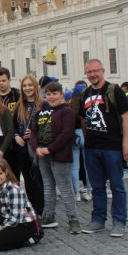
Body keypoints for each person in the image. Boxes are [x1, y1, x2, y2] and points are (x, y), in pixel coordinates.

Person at [78, 59, 128, 237]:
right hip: (92, 148)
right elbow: (83, 119)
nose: (93, 74)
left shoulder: (114, 90)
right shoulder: (85, 93)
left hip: (112, 147)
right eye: (89, 72)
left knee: (117, 186)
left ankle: (119, 221)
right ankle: (98, 219)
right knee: (97, 186)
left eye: (95, 71)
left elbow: (127, 117)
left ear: (102, 70)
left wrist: (125, 144)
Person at [30, 82, 81, 234]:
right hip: (42, 155)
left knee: (65, 187)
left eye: (54, 94)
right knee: (48, 186)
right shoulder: (41, 112)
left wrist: (49, 149)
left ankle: (73, 219)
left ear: (61, 94)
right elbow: (33, 131)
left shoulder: (67, 112)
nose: (51, 97)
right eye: (48, 94)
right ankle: (48, 215)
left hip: (59, 155)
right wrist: (37, 148)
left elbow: (66, 134)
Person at [0, 158, 41, 251]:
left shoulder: (13, 189)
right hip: (8, 219)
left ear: (6, 173)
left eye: (0, 173)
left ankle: (29, 239)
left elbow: (15, 219)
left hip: (24, 224)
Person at [10, 74, 45, 215]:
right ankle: (33, 209)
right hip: (22, 149)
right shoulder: (19, 105)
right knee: (28, 180)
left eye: (30, 85)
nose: (27, 88)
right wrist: (16, 135)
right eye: (25, 86)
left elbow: (47, 125)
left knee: (39, 179)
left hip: (37, 147)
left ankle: (42, 209)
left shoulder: (43, 104)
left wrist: (34, 133)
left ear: (35, 86)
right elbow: (13, 126)